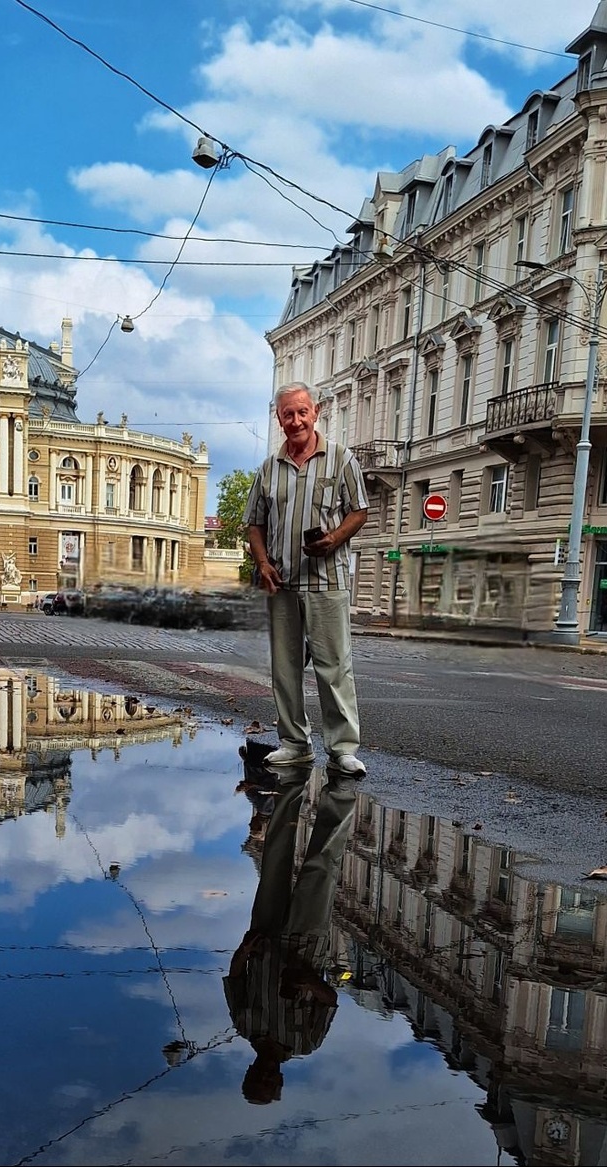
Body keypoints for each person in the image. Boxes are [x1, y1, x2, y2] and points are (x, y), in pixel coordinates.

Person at [243, 380, 369, 778]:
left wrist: (333, 539)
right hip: (281, 583)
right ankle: (294, 744)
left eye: (302, 412)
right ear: (279, 419)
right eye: (287, 414)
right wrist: (262, 563)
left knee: (334, 667)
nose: (295, 420)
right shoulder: (269, 468)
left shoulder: (342, 459)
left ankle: (343, 748)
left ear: (315, 413)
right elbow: (254, 523)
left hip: (327, 581)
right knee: (285, 668)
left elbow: (359, 511)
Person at [223, 764, 357, 1104]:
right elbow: (330, 1001)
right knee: (321, 867)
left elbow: (235, 979)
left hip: (264, 933)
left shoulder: (243, 1025)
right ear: (280, 1081)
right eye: (272, 1081)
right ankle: (340, 792)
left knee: (275, 859)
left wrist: (242, 950)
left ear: (250, 1072)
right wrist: (310, 983)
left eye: (258, 1077)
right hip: (307, 940)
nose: (266, 1073)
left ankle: (292, 781)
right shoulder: (306, 1043)